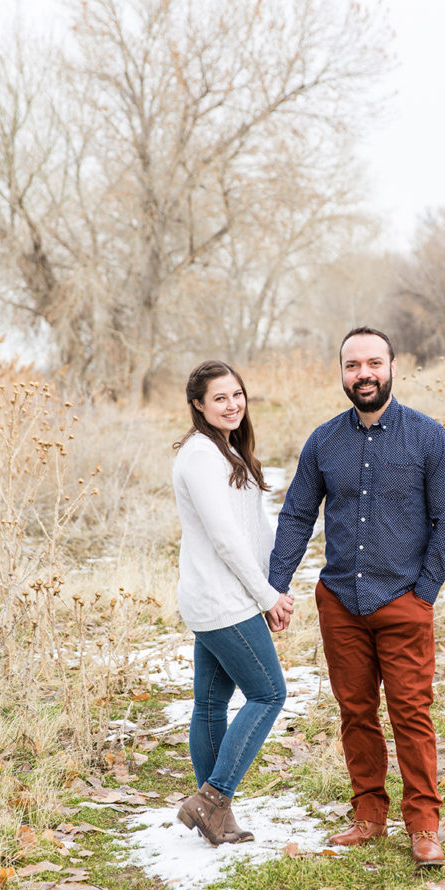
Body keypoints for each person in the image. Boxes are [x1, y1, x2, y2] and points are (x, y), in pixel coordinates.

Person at [268, 327, 445, 867]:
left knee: (411, 715)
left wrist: (423, 595)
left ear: (393, 367)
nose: (364, 373)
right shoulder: (324, 441)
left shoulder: (429, 438)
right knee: (355, 713)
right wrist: (275, 585)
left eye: (373, 363)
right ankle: (369, 816)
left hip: (404, 601)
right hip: (340, 604)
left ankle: (424, 825)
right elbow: (297, 515)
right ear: (342, 372)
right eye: (353, 365)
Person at [172, 360, 294, 846]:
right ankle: (212, 798)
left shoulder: (225, 451)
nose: (233, 404)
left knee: (210, 704)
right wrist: (266, 596)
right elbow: (226, 539)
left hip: (221, 596)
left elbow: (251, 531)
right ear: (198, 405)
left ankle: (214, 818)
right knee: (269, 693)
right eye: (220, 398)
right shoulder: (201, 456)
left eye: (237, 394)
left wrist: (273, 586)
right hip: (224, 601)